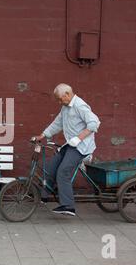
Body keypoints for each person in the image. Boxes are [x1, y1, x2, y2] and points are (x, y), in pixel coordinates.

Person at [31, 83, 100, 216]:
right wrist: (42, 135)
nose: (59, 101)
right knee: (51, 167)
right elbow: (57, 123)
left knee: (63, 172)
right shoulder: (65, 107)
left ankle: (68, 206)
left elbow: (94, 123)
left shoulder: (80, 105)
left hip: (81, 147)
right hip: (70, 145)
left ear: (67, 94)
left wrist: (79, 138)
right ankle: (44, 195)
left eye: (60, 98)